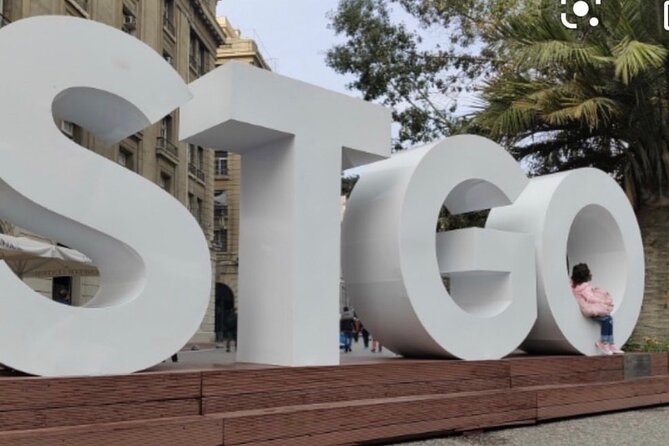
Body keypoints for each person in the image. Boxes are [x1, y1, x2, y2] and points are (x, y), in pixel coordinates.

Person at [571, 263, 623, 355]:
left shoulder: (574, 286)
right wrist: (602, 301)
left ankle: (610, 343)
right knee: (607, 319)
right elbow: (590, 298)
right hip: (589, 310)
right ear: (586, 275)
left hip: (584, 309)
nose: (591, 273)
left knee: (608, 319)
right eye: (589, 271)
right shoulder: (585, 286)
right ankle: (604, 342)